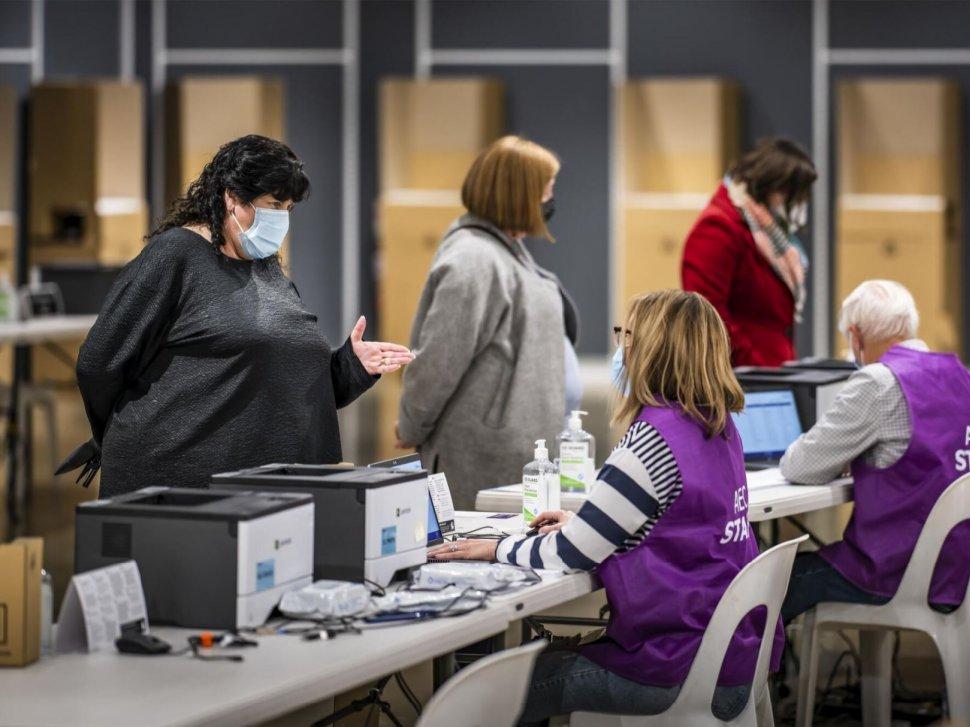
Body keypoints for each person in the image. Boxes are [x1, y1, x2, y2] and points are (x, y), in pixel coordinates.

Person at [429, 289, 781, 724]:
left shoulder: (652, 442)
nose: (621, 347)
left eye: (626, 335)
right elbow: (682, 523)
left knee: (495, 689)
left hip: (675, 668)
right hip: (730, 659)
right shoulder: (719, 427)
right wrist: (589, 523)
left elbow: (572, 553)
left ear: (654, 349)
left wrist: (496, 548)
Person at [64, 135, 413, 497]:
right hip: (181, 483)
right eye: (273, 204)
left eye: (288, 208)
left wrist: (350, 366)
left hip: (263, 487)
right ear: (231, 197)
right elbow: (98, 363)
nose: (281, 218)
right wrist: (118, 429)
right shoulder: (174, 255)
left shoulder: (265, 267)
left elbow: (285, 380)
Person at [777, 280, 970, 621]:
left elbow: (799, 466)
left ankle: (766, 659)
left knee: (775, 580)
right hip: (964, 573)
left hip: (894, 575)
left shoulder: (878, 382)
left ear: (856, 335)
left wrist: (845, 454)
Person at [395, 136, 580, 509]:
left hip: (510, 456)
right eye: (545, 190)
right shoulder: (473, 260)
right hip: (479, 460)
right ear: (518, 195)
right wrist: (411, 425)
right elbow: (438, 361)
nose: (550, 200)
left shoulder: (504, 248)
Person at [681, 137, 816, 367]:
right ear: (771, 184)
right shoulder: (717, 228)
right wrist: (753, 364)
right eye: (791, 194)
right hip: (743, 374)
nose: (795, 203)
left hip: (769, 369)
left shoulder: (765, 228)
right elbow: (708, 315)